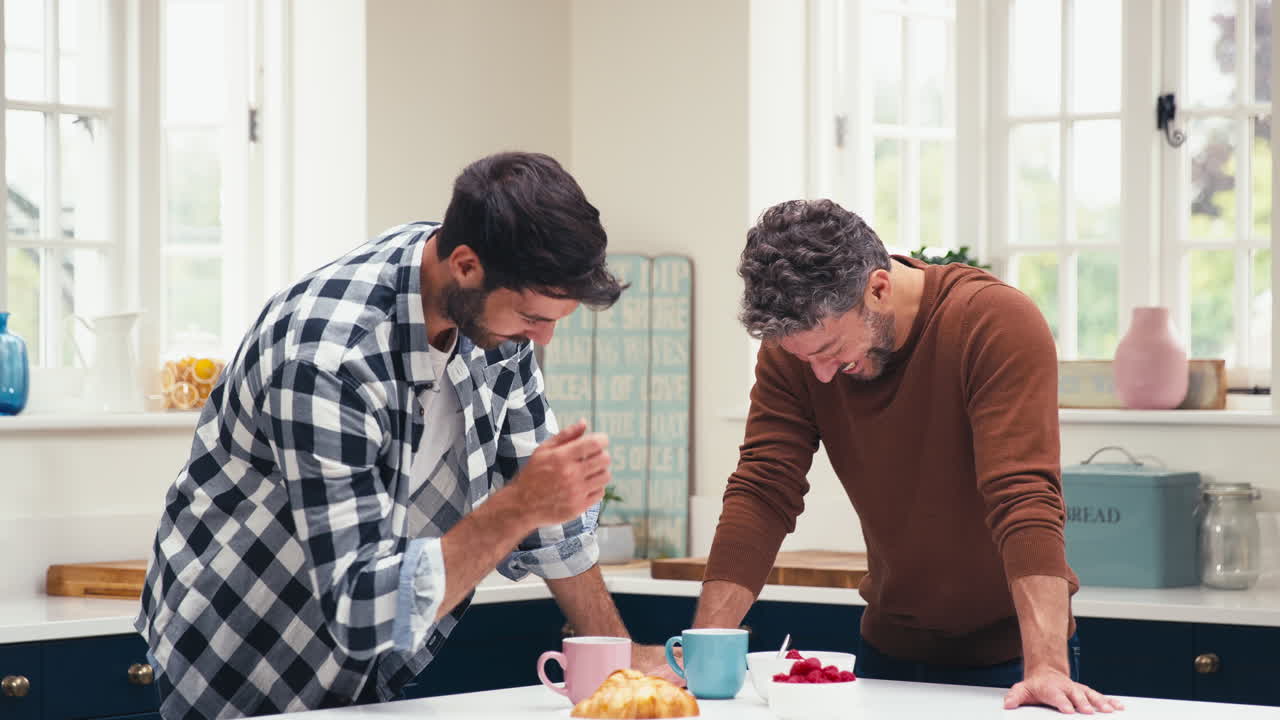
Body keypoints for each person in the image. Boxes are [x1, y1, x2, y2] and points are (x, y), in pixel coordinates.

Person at [136, 152, 664, 718]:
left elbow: (553, 523)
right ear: (465, 267)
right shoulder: (329, 358)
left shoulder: (492, 317)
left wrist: (620, 664)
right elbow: (360, 608)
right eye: (534, 318)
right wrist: (518, 507)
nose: (544, 339)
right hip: (237, 655)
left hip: (365, 668)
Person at [687, 199, 1123, 714]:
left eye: (829, 351)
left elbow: (1023, 495)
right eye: (807, 360)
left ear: (878, 288)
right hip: (888, 652)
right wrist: (704, 657)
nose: (821, 375)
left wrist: (1046, 664)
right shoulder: (795, 354)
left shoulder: (993, 321)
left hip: (1018, 660)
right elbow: (763, 491)